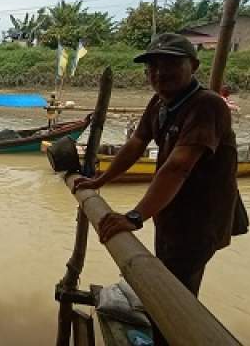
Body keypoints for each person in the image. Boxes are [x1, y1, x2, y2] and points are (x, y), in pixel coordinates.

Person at [72, 33, 239, 346]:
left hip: (199, 220)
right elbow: (136, 143)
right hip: (170, 212)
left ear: (194, 66)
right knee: (168, 279)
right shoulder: (161, 103)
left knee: (176, 294)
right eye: (153, 67)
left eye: (171, 64)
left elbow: (179, 166)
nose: (160, 73)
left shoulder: (207, 106)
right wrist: (100, 180)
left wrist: (134, 216)